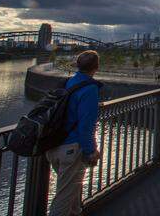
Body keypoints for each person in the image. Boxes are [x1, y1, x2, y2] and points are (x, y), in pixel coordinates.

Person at [46, 50, 103, 216]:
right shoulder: (90, 88)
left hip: (54, 146)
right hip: (71, 150)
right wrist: (90, 151)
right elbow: (86, 126)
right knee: (64, 198)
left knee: (72, 191)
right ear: (96, 67)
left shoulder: (67, 83)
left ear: (77, 65)